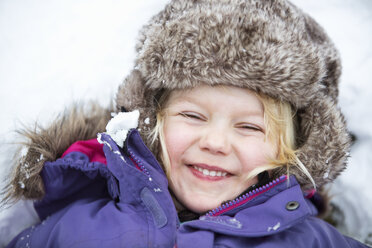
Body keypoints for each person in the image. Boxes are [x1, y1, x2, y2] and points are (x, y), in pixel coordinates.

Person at [2, 0, 369, 247]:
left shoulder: (309, 240)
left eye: (249, 127)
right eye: (193, 116)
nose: (216, 142)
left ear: (289, 149)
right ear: (151, 121)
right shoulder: (79, 229)